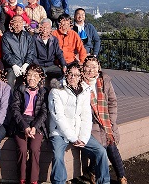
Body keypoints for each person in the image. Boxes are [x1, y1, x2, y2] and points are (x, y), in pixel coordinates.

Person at [48, 63, 110, 184]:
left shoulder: (85, 90)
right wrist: (72, 137)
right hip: (59, 132)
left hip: (78, 132)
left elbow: (86, 116)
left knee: (101, 151)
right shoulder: (56, 91)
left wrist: (83, 138)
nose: (73, 77)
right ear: (66, 74)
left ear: (80, 76)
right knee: (58, 156)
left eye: (76, 75)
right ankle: (59, 181)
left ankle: (104, 181)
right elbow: (58, 117)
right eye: (70, 74)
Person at [82, 56, 128, 184]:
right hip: (90, 124)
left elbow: (113, 102)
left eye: (94, 67)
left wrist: (111, 120)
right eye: (88, 66)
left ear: (99, 68)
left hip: (106, 121)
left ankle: (120, 177)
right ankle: (115, 176)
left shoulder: (104, 81)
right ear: (83, 68)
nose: (91, 70)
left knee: (111, 144)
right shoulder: (80, 83)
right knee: (103, 145)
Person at [10, 64, 48, 184]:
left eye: (35, 75)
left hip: (37, 124)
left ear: (40, 78)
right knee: (22, 149)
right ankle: (22, 179)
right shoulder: (19, 90)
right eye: (29, 75)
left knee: (34, 149)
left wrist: (34, 127)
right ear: (25, 76)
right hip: (21, 123)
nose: (32, 78)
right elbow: (15, 110)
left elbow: (44, 112)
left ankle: (33, 180)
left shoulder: (43, 92)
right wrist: (25, 126)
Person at [2, 15, 35, 87]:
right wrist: (14, 65)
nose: (18, 24)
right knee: (9, 83)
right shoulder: (6, 36)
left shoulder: (28, 36)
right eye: (15, 22)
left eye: (20, 22)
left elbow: (31, 52)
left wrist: (26, 64)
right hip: (13, 66)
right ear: (12, 24)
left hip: (26, 65)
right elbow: (6, 53)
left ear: (23, 23)